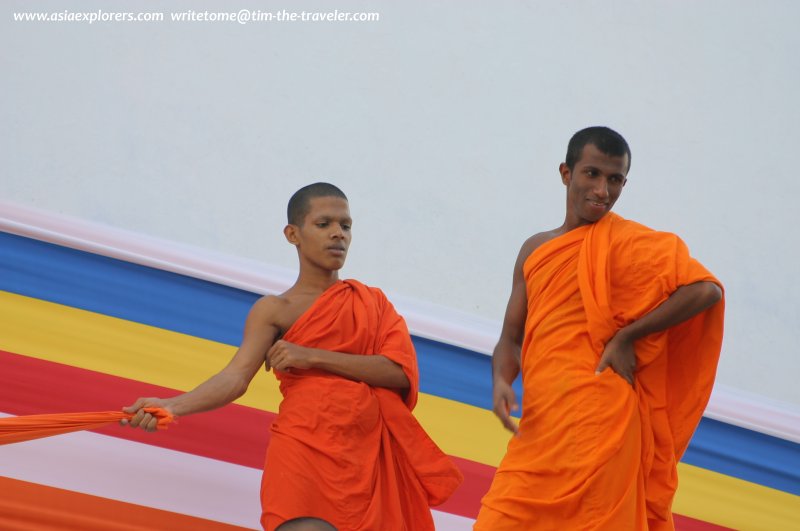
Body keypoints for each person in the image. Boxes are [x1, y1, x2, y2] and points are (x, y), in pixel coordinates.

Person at [122, 183, 462, 531]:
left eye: (345, 226)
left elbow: (400, 374)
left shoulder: (373, 303)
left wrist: (312, 356)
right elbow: (235, 377)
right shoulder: (274, 309)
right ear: (292, 234)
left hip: (369, 454)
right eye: (324, 224)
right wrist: (173, 405)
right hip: (303, 446)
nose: (337, 235)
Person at [474, 127, 724, 530]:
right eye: (592, 174)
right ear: (565, 173)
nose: (602, 190)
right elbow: (511, 339)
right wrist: (502, 381)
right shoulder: (536, 249)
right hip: (541, 426)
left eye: (615, 179)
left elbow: (706, 290)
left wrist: (629, 336)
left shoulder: (627, 242)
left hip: (602, 419)